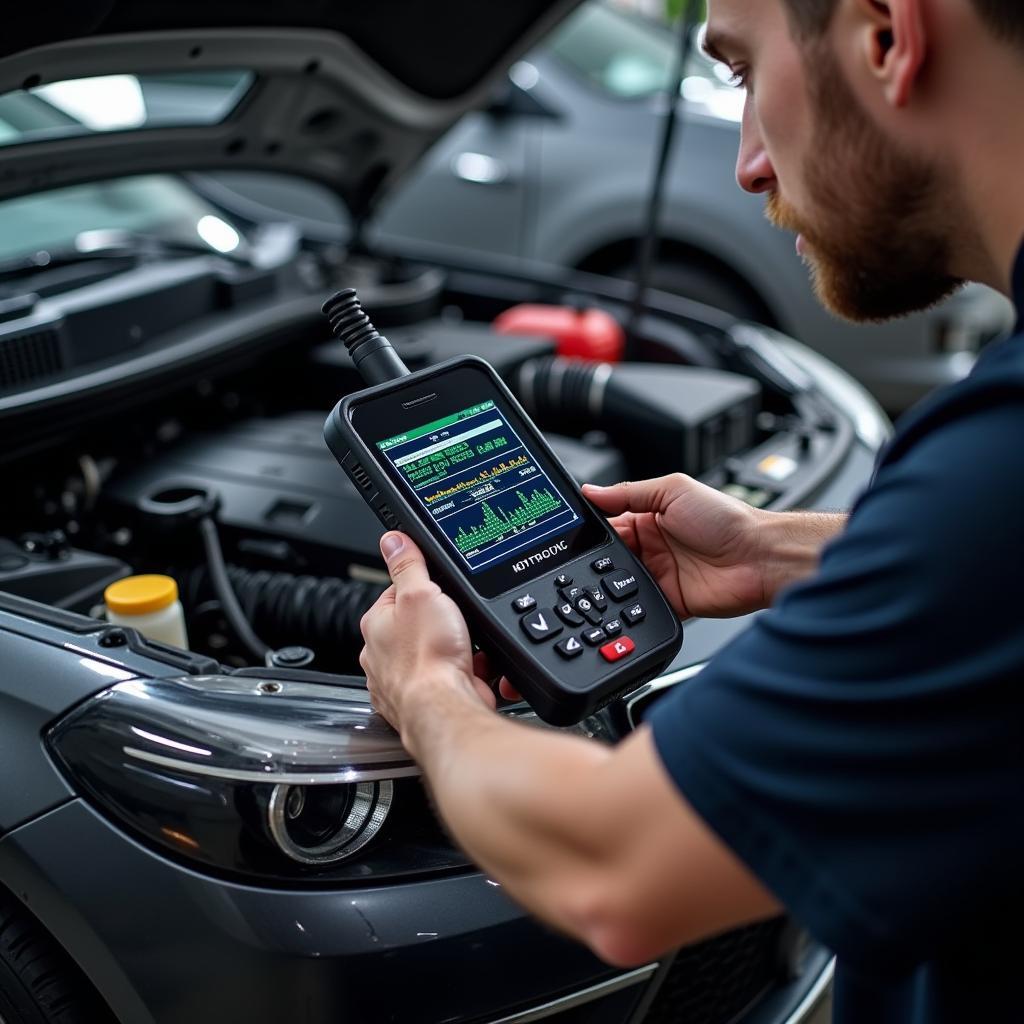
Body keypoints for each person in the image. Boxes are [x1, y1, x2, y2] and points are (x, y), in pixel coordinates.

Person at [357, 1, 1024, 1020]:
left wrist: (426, 688)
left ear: (885, 34)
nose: (749, 161)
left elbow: (614, 870)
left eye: (743, 72)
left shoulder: (996, 460)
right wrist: (783, 548)